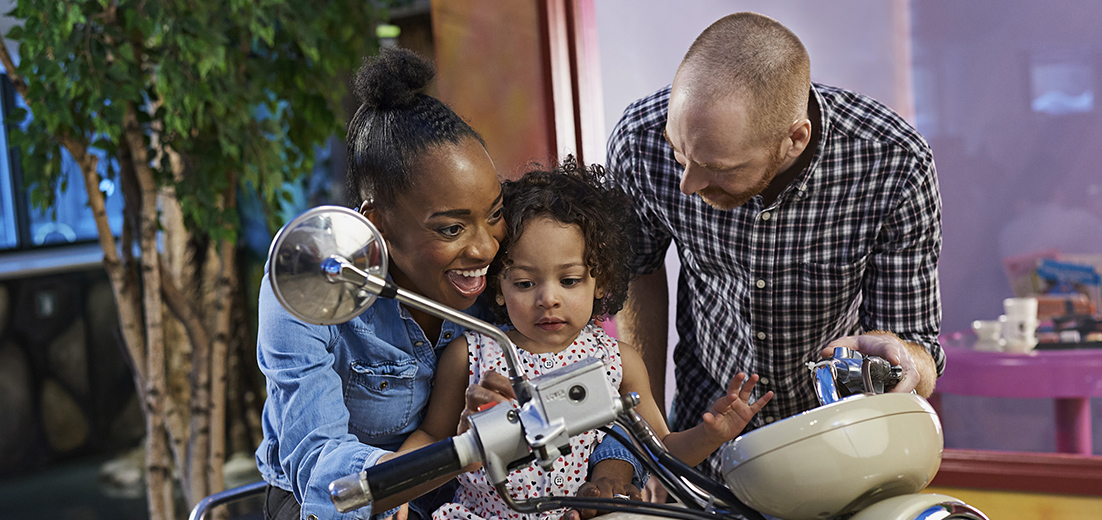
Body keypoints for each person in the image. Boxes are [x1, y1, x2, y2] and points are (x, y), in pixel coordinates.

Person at [254, 49, 639, 520]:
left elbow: (590, 399)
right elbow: (324, 477)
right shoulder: (309, 278)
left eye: (494, 214)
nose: (485, 249)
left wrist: (610, 471)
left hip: (471, 497)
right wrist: (462, 449)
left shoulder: (510, 273)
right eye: (451, 229)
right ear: (380, 224)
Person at [605, 12, 946, 477]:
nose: (688, 183)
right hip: (706, 425)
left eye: (720, 168)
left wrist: (903, 362)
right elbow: (639, 271)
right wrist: (655, 442)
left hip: (842, 442)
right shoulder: (641, 141)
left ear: (794, 139)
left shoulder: (893, 163)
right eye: (680, 152)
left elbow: (917, 346)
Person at [392, 160, 771, 520]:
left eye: (569, 280)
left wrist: (711, 434)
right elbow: (431, 436)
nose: (548, 298)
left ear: (600, 280)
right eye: (525, 283)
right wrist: (394, 488)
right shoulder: (470, 354)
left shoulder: (617, 361)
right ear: (498, 287)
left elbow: (660, 452)